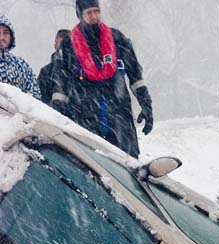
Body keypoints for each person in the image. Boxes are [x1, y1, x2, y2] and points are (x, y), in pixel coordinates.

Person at [51, 0, 153, 158]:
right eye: (89, 13)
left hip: (119, 119)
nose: (94, 16)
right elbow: (60, 85)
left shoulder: (118, 39)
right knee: (91, 167)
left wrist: (146, 103)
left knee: (128, 165)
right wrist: (58, 116)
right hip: (85, 119)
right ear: (80, 15)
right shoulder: (68, 45)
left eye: (96, 11)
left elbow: (135, 75)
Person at [0, 15, 41, 98]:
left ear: (11, 37)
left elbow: (34, 95)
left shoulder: (20, 65)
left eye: (5, 33)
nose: (1, 37)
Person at [38, 29, 70, 105]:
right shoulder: (46, 71)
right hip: (50, 115)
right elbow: (39, 99)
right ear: (55, 45)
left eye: (67, 44)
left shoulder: (79, 70)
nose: (63, 48)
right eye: (61, 43)